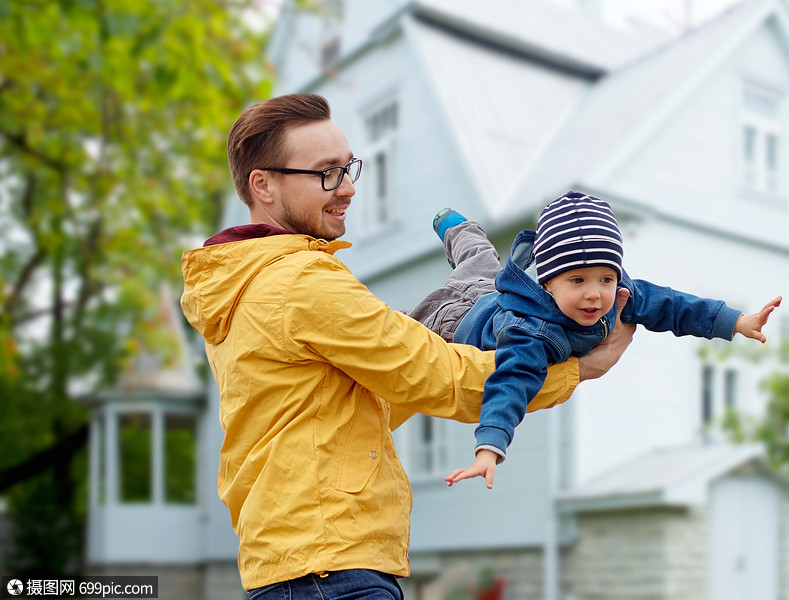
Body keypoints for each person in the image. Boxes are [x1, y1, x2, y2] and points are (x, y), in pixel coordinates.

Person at [179, 94, 635, 599]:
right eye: (327, 173)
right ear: (262, 184)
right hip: (331, 569)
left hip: (302, 562)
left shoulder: (244, 285)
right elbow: (435, 375)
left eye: (349, 168)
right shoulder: (299, 283)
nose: (348, 188)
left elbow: (364, 401)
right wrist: (577, 370)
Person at [404, 192, 781, 489]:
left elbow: (673, 305)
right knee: (437, 298)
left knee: (481, 260)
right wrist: (490, 447)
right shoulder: (533, 332)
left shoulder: (620, 293)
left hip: (494, 291)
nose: (595, 296)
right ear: (548, 283)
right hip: (456, 319)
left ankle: (454, 224)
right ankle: (452, 223)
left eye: (604, 278)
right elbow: (511, 383)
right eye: (578, 281)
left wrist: (735, 322)